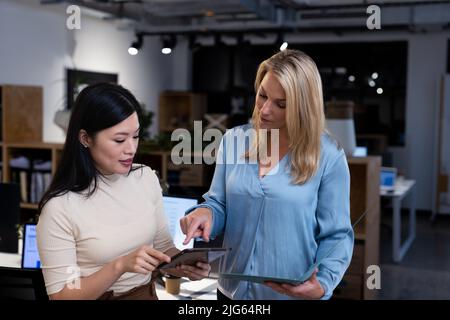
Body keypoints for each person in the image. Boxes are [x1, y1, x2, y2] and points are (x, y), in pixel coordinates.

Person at [180, 49, 354, 300]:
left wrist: (324, 283)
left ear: (303, 107)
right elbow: (218, 204)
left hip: (291, 296)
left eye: (281, 104)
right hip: (230, 293)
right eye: (262, 96)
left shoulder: (329, 156)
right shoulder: (234, 140)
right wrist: (204, 213)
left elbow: (337, 235)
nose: (265, 110)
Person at [36, 83, 210, 300]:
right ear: (85, 138)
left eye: (135, 136)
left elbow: (164, 249)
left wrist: (185, 266)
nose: (131, 148)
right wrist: (119, 266)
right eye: (119, 139)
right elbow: (62, 296)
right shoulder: (60, 207)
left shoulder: (145, 178)